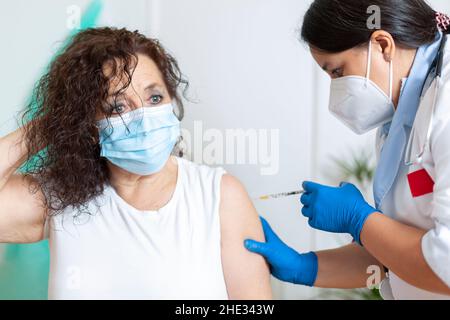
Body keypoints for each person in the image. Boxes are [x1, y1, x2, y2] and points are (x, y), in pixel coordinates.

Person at [0, 27, 272, 300]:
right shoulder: (60, 198)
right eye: (118, 107)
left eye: (155, 98)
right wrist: (53, 124)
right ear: (88, 124)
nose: (144, 117)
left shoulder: (219, 194)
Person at [245, 0, 450, 299]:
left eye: (338, 71)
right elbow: (394, 258)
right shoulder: (398, 123)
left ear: (382, 44)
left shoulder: (445, 103)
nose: (336, 91)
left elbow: (444, 266)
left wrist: (360, 219)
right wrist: (304, 267)